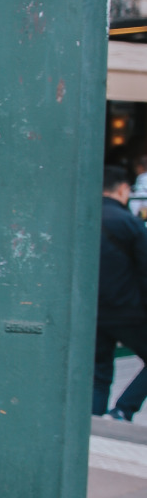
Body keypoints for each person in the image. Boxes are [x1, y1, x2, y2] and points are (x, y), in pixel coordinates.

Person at [93, 165, 147, 421]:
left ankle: (93, 419)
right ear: (124, 189)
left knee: (98, 370)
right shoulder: (130, 224)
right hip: (128, 311)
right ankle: (124, 409)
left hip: (92, 311)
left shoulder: (84, 220)